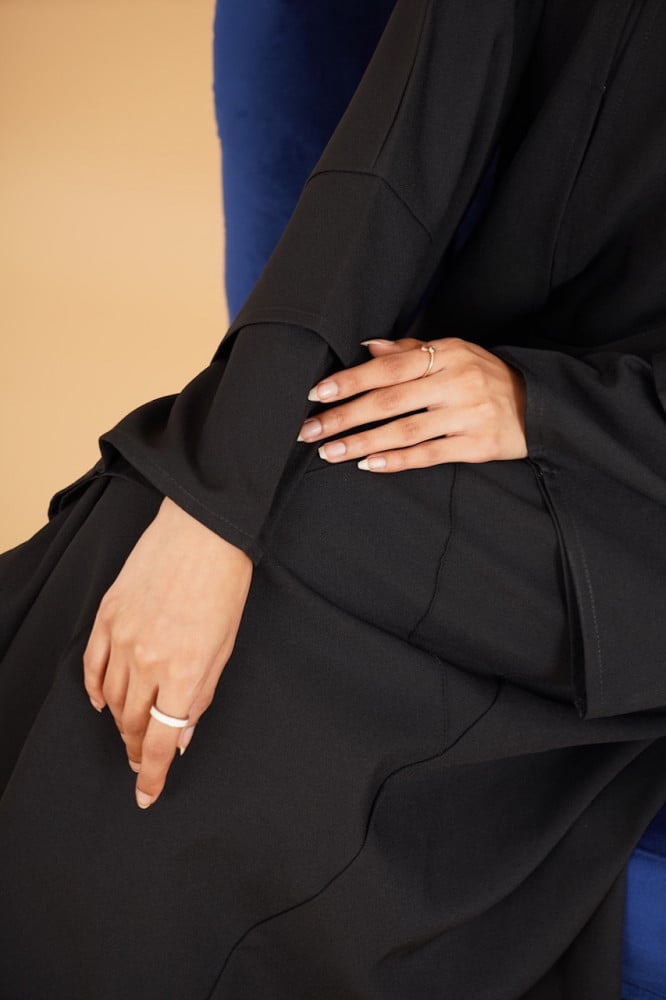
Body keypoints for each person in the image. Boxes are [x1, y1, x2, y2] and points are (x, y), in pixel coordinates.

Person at [1, 0, 666, 997]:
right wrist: (217, 501)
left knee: (298, 527)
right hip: (487, 408)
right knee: (170, 498)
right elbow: (396, 154)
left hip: (632, 481)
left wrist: (547, 407)